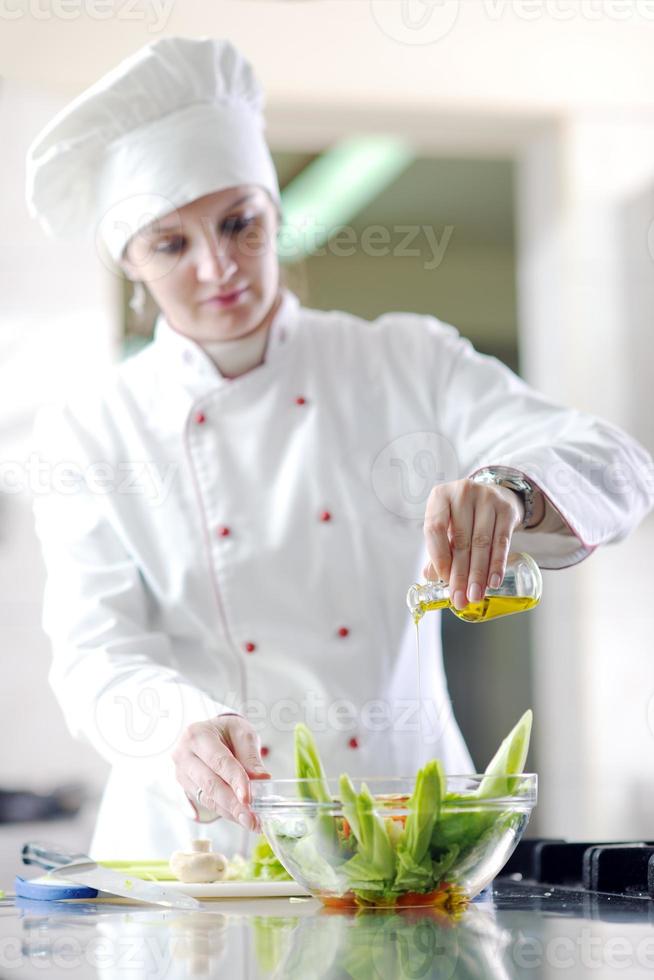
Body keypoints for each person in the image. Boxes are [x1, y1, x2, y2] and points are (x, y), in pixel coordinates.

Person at [26, 37, 654, 860]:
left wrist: (510, 488)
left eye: (239, 223)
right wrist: (178, 728)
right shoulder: (91, 427)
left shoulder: (405, 358)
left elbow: (616, 462)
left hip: (408, 838)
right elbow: (95, 651)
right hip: (200, 851)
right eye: (170, 244)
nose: (218, 266)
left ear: (276, 213)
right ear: (131, 268)